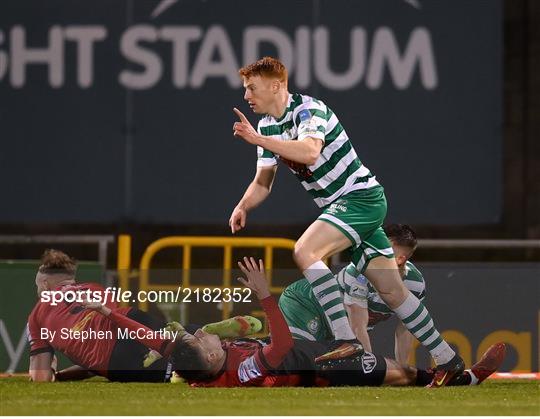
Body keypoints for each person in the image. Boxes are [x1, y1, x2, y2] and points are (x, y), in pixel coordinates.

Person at [228, 56, 463, 386]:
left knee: (305, 251)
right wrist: (243, 206)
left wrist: (257, 140)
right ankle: (448, 360)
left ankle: (346, 342)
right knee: (393, 292)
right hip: (347, 207)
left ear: (276, 85)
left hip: (360, 199)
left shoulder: (309, 109)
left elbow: (309, 152)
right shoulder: (267, 126)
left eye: (251, 87)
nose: (246, 95)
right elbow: (263, 181)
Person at [91, 257, 500, 388]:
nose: (203, 336)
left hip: (312, 357)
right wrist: (266, 295)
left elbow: (155, 341)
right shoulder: (244, 371)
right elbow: (282, 345)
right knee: (395, 373)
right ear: (214, 357)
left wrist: (114, 316)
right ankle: (465, 380)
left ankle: (447, 378)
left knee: (394, 373)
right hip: (316, 364)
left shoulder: (193, 363)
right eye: (206, 342)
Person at [27, 249, 260, 382]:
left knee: (181, 372)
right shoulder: (94, 288)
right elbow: (92, 361)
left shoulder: (37, 313)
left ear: (44, 283)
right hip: (131, 320)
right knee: (179, 344)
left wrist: (52, 372)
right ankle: (206, 332)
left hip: (115, 357)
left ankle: (202, 349)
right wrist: (65, 376)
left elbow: (40, 377)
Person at [279, 224, 424, 364]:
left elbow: (405, 330)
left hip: (338, 331)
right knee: (298, 361)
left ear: (401, 259)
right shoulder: (358, 272)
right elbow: (357, 327)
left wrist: (403, 370)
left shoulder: (415, 285)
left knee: (322, 373)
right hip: (306, 302)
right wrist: (370, 369)